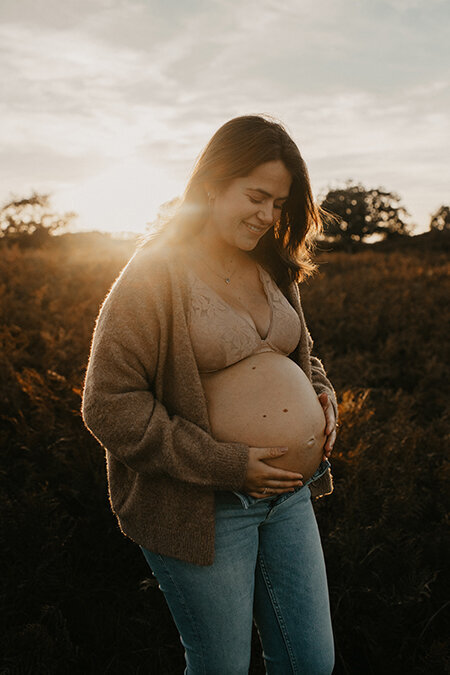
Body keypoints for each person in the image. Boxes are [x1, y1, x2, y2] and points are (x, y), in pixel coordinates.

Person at [82, 114, 338, 674]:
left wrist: (322, 399)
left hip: (291, 498)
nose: (268, 216)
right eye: (256, 196)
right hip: (206, 508)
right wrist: (227, 465)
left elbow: (302, 356)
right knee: (221, 666)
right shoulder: (154, 275)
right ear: (211, 183)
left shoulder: (273, 265)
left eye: (279, 204)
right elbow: (109, 404)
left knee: (310, 663)